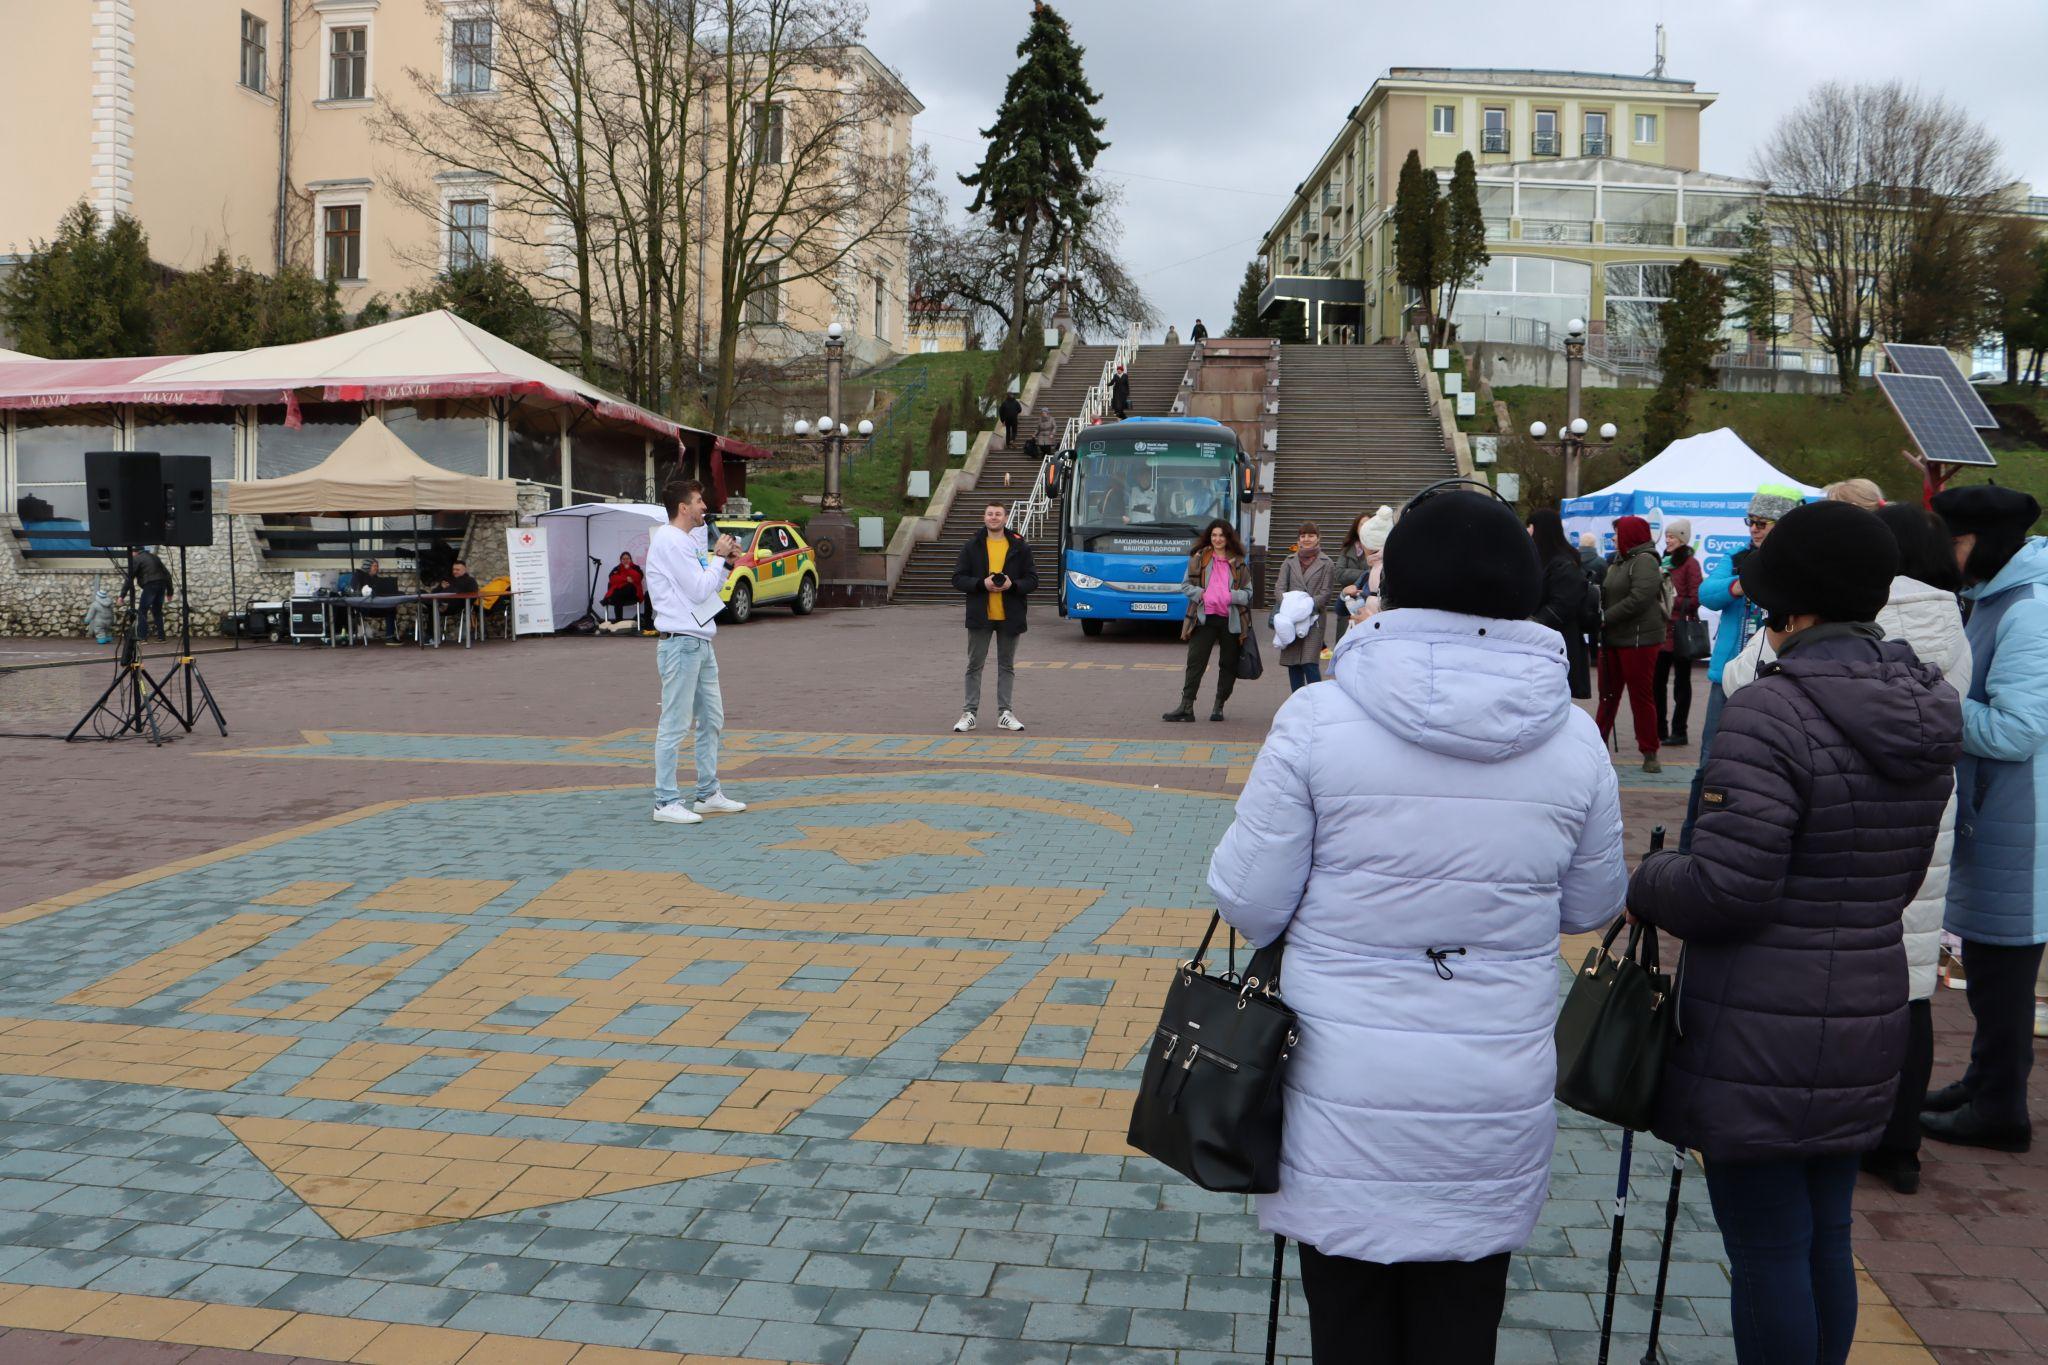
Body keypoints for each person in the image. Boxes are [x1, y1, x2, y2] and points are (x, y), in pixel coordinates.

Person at [1208, 488, 1626, 1365]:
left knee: (1348, 1325)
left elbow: (1247, 901)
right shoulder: (1576, 740)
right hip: (1492, 1086)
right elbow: (1591, 907)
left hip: (1342, 1087)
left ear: (1394, 581)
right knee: (1460, 1327)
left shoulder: (1318, 717)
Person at [1626, 500, 1958, 1365]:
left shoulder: (1773, 712)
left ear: (1788, 607)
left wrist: (1649, 880)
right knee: (1824, 1231)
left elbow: (1726, 888)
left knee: (1769, 1244)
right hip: (1868, 1001)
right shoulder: (1924, 705)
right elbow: (1901, 869)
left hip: (1759, 1020)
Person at [1923, 484, 2048, 1153]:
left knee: (2004, 974)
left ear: (1989, 541)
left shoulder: (2029, 609)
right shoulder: (1993, 598)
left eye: (1958, 539)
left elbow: (2017, 730)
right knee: (1991, 969)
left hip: (2024, 821)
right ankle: (1983, 1081)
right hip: (1999, 815)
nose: (1950, 553)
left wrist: (1932, 699)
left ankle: (2001, 1108)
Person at [1853, 502, 1970, 1192]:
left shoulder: (1871, 612)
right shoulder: (1953, 619)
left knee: (1857, 970)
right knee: (1915, 976)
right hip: (1935, 804)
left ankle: (1858, 1127)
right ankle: (1901, 1144)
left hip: (1865, 804)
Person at [1680, 484, 1799, 850]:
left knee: (1771, 767)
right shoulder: (1736, 559)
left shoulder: (1798, 565)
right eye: (1751, 521)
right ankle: (1692, 843)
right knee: (1709, 763)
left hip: (1784, 680)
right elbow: (1708, 595)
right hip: (1728, 680)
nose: (1754, 528)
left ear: (1783, 523)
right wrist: (1745, 582)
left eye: (1763, 522)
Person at [645, 480, 749, 826]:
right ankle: (665, 800)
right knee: (675, 724)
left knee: (712, 719)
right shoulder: (670, 541)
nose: (705, 505)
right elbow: (697, 588)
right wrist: (719, 558)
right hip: (681, 643)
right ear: (683, 507)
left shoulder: (685, 540)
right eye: (699, 500)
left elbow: (706, 588)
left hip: (698, 641)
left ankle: (707, 793)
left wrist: (726, 564)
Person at [950, 501, 1037, 733]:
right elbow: (957, 578)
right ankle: (969, 714)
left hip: (1010, 615)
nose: (994, 517)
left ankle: (1005, 713)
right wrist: (981, 583)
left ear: (1006, 518)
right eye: (990, 514)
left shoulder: (1020, 546)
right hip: (981, 615)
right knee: (974, 665)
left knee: (1006, 666)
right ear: (984, 517)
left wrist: (1012, 585)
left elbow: (1033, 580)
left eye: (998, 514)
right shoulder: (972, 546)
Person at [1595, 515, 1669, 772]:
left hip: (1639, 640)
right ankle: (1596, 746)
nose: (1614, 538)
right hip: (1614, 638)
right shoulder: (1619, 562)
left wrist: (1606, 617)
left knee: (1640, 697)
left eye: (1617, 533)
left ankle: (1650, 752)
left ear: (1630, 535)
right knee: (1607, 695)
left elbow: (1639, 598)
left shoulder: (1646, 561)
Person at [1164, 519, 1251, 723]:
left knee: (1228, 664)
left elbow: (1248, 593)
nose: (1217, 539)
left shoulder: (1239, 562)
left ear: (1228, 537)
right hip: (1204, 619)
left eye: (1221, 535)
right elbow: (1185, 586)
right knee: (1195, 663)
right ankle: (1186, 707)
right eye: (1214, 535)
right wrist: (1203, 594)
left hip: (1231, 621)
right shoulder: (1198, 558)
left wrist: (1230, 597)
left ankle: (1218, 706)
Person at [1528, 508, 1592, 699]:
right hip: (1546, 640)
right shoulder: (1546, 560)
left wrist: (1533, 624)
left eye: (1530, 527)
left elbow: (1562, 605)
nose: (1527, 532)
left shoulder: (1563, 563)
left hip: (1559, 642)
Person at [1654, 518, 1702, 746]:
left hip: (1681, 631)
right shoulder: (1665, 561)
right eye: (1667, 536)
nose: (1668, 540)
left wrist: (1671, 600)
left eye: (1672, 536)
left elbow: (1696, 597)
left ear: (1682, 538)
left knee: (1682, 685)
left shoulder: (1691, 564)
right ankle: (1659, 730)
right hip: (1662, 632)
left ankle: (1679, 731)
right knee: (1657, 683)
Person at [1275, 522, 1335, 690]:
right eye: (1303, 536)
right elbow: (1279, 588)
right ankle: (1297, 703)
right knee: (1293, 664)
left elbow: (1326, 593)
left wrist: (1305, 606)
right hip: (1290, 619)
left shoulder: (1327, 563)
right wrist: (1289, 606)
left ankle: (1318, 702)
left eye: (1310, 535)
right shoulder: (1289, 561)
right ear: (1298, 539)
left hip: (1314, 619)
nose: (1306, 539)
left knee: (1309, 662)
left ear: (1318, 538)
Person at [1333, 506, 1393, 639]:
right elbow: (1339, 573)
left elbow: (1396, 616)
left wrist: (1372, 622)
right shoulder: (1366, 575)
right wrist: (1344, 594)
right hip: (1359, 634)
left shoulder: (1392, 573)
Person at [124, 546, 172, 642]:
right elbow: (167, 574)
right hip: (162, 584)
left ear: (135, 552)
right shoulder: (154, 557)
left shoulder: (137, 559)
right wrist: (170, 592)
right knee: (157, 611)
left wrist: (122, 595)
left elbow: (130, 577)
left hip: (150, 584)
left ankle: (142, 637)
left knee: (142, 610)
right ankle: (161, 637)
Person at [602, 551, 647, 624]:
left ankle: (608, 600)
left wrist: (629, 569)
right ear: (621, 560)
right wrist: (625, 579)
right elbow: (612, 579)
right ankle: (619, 622)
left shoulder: (636, 567)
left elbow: (638, 578)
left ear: (631, 559)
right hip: (621, 595)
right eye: (623, 559)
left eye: (627, 558)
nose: (625, 560)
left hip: (633, 594)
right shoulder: (617, 568)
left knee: (625, 588)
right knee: (617, 597)